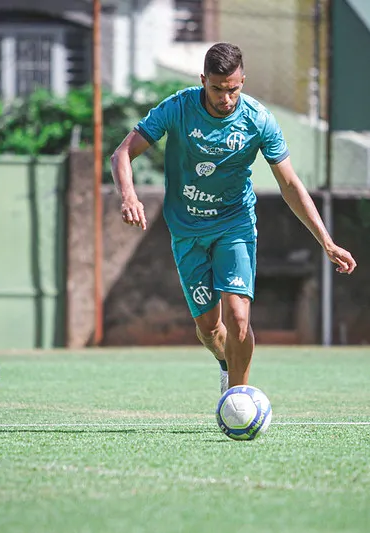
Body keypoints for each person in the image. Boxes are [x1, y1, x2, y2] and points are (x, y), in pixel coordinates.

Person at [110, 42, 356, 395]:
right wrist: (129, 196)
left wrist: (327, 242)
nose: (226, 98)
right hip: (187, 230)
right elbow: (122, 154)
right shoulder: (177, 108)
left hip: (234, 225)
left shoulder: (258, 120)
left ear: (243, 80)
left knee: (239, 317)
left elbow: (290, 184)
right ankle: (225, 362)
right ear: (203, 81)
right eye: (217, 89)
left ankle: (238, 399)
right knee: (210, 331)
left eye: (233, 89)